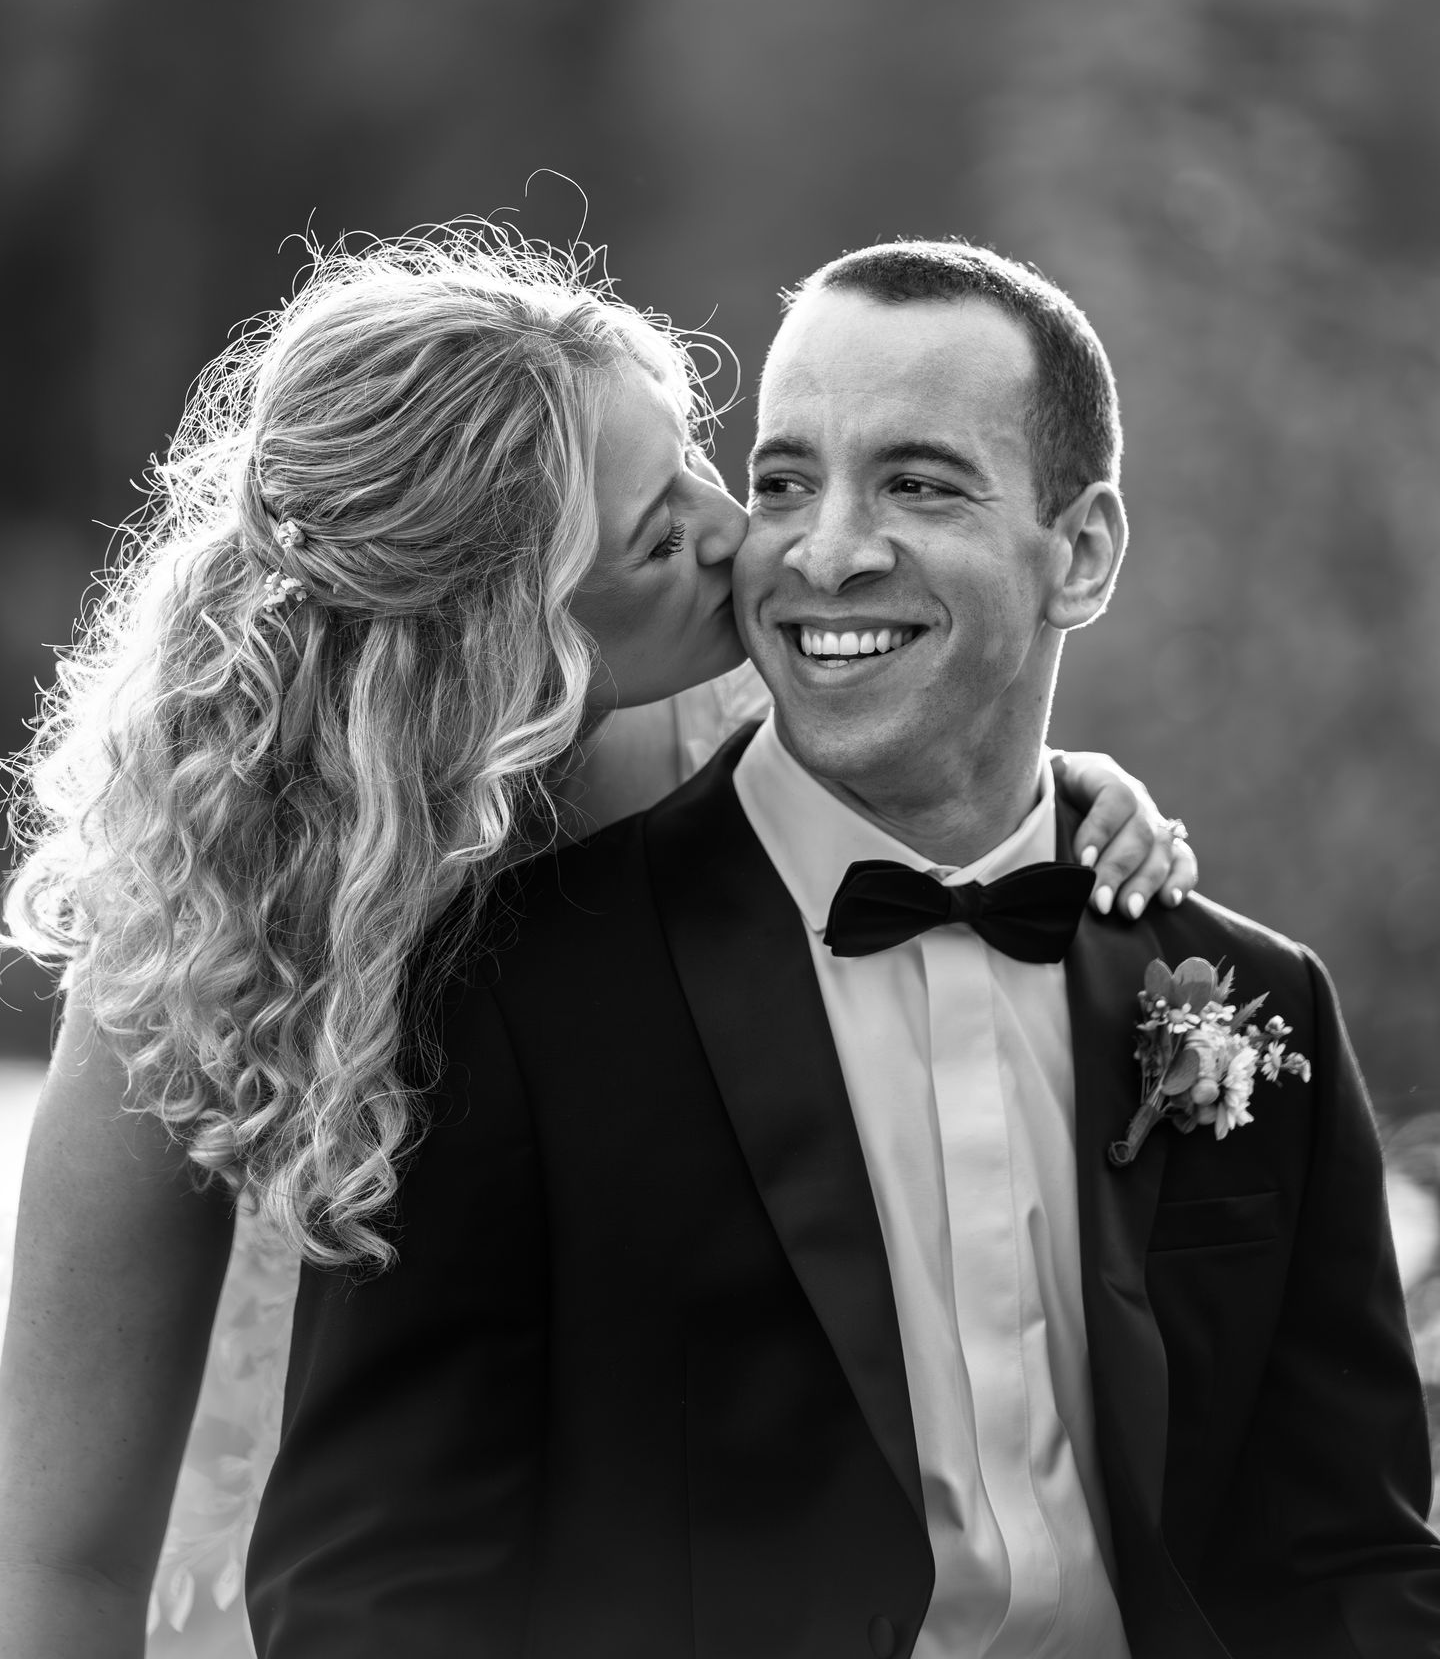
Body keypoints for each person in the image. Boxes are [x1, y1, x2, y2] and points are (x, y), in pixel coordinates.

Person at [0, 229, 1195, 1659]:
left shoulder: (727, 736)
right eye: (655, 529)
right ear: (497, 633)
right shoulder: (206, 930)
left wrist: (1071, 796)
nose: (735, 530)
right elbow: (54, 1562)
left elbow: (959, 791)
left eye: (703, 461)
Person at [246, 239, 1439, 1659]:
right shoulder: (506, 999)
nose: (824, 551)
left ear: (1086, 553)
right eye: (786, 481)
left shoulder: (1255, 1003)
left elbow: (1352, 1565)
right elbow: (368, 1597)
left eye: (919, 484)